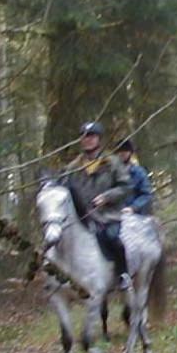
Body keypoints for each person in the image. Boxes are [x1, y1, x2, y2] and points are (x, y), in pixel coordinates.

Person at [59, 121, 134, 291]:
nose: (88, 140)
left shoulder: (113, 162)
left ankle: (123, 274)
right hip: (82, 216)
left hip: (109, 215)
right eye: (85, 137)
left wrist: (107, 197)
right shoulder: (72, 168)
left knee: (112, 238)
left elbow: (126, 187)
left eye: (92, 137)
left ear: (99, 139)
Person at [115, 138, 155, 215]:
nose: (121, 153)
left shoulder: (139, 172)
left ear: (130, 153)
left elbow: (146, 194)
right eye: (119, 151)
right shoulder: (111, 172)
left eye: (125, 150)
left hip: (136, 215)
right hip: (115, 215)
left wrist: (133, 207)